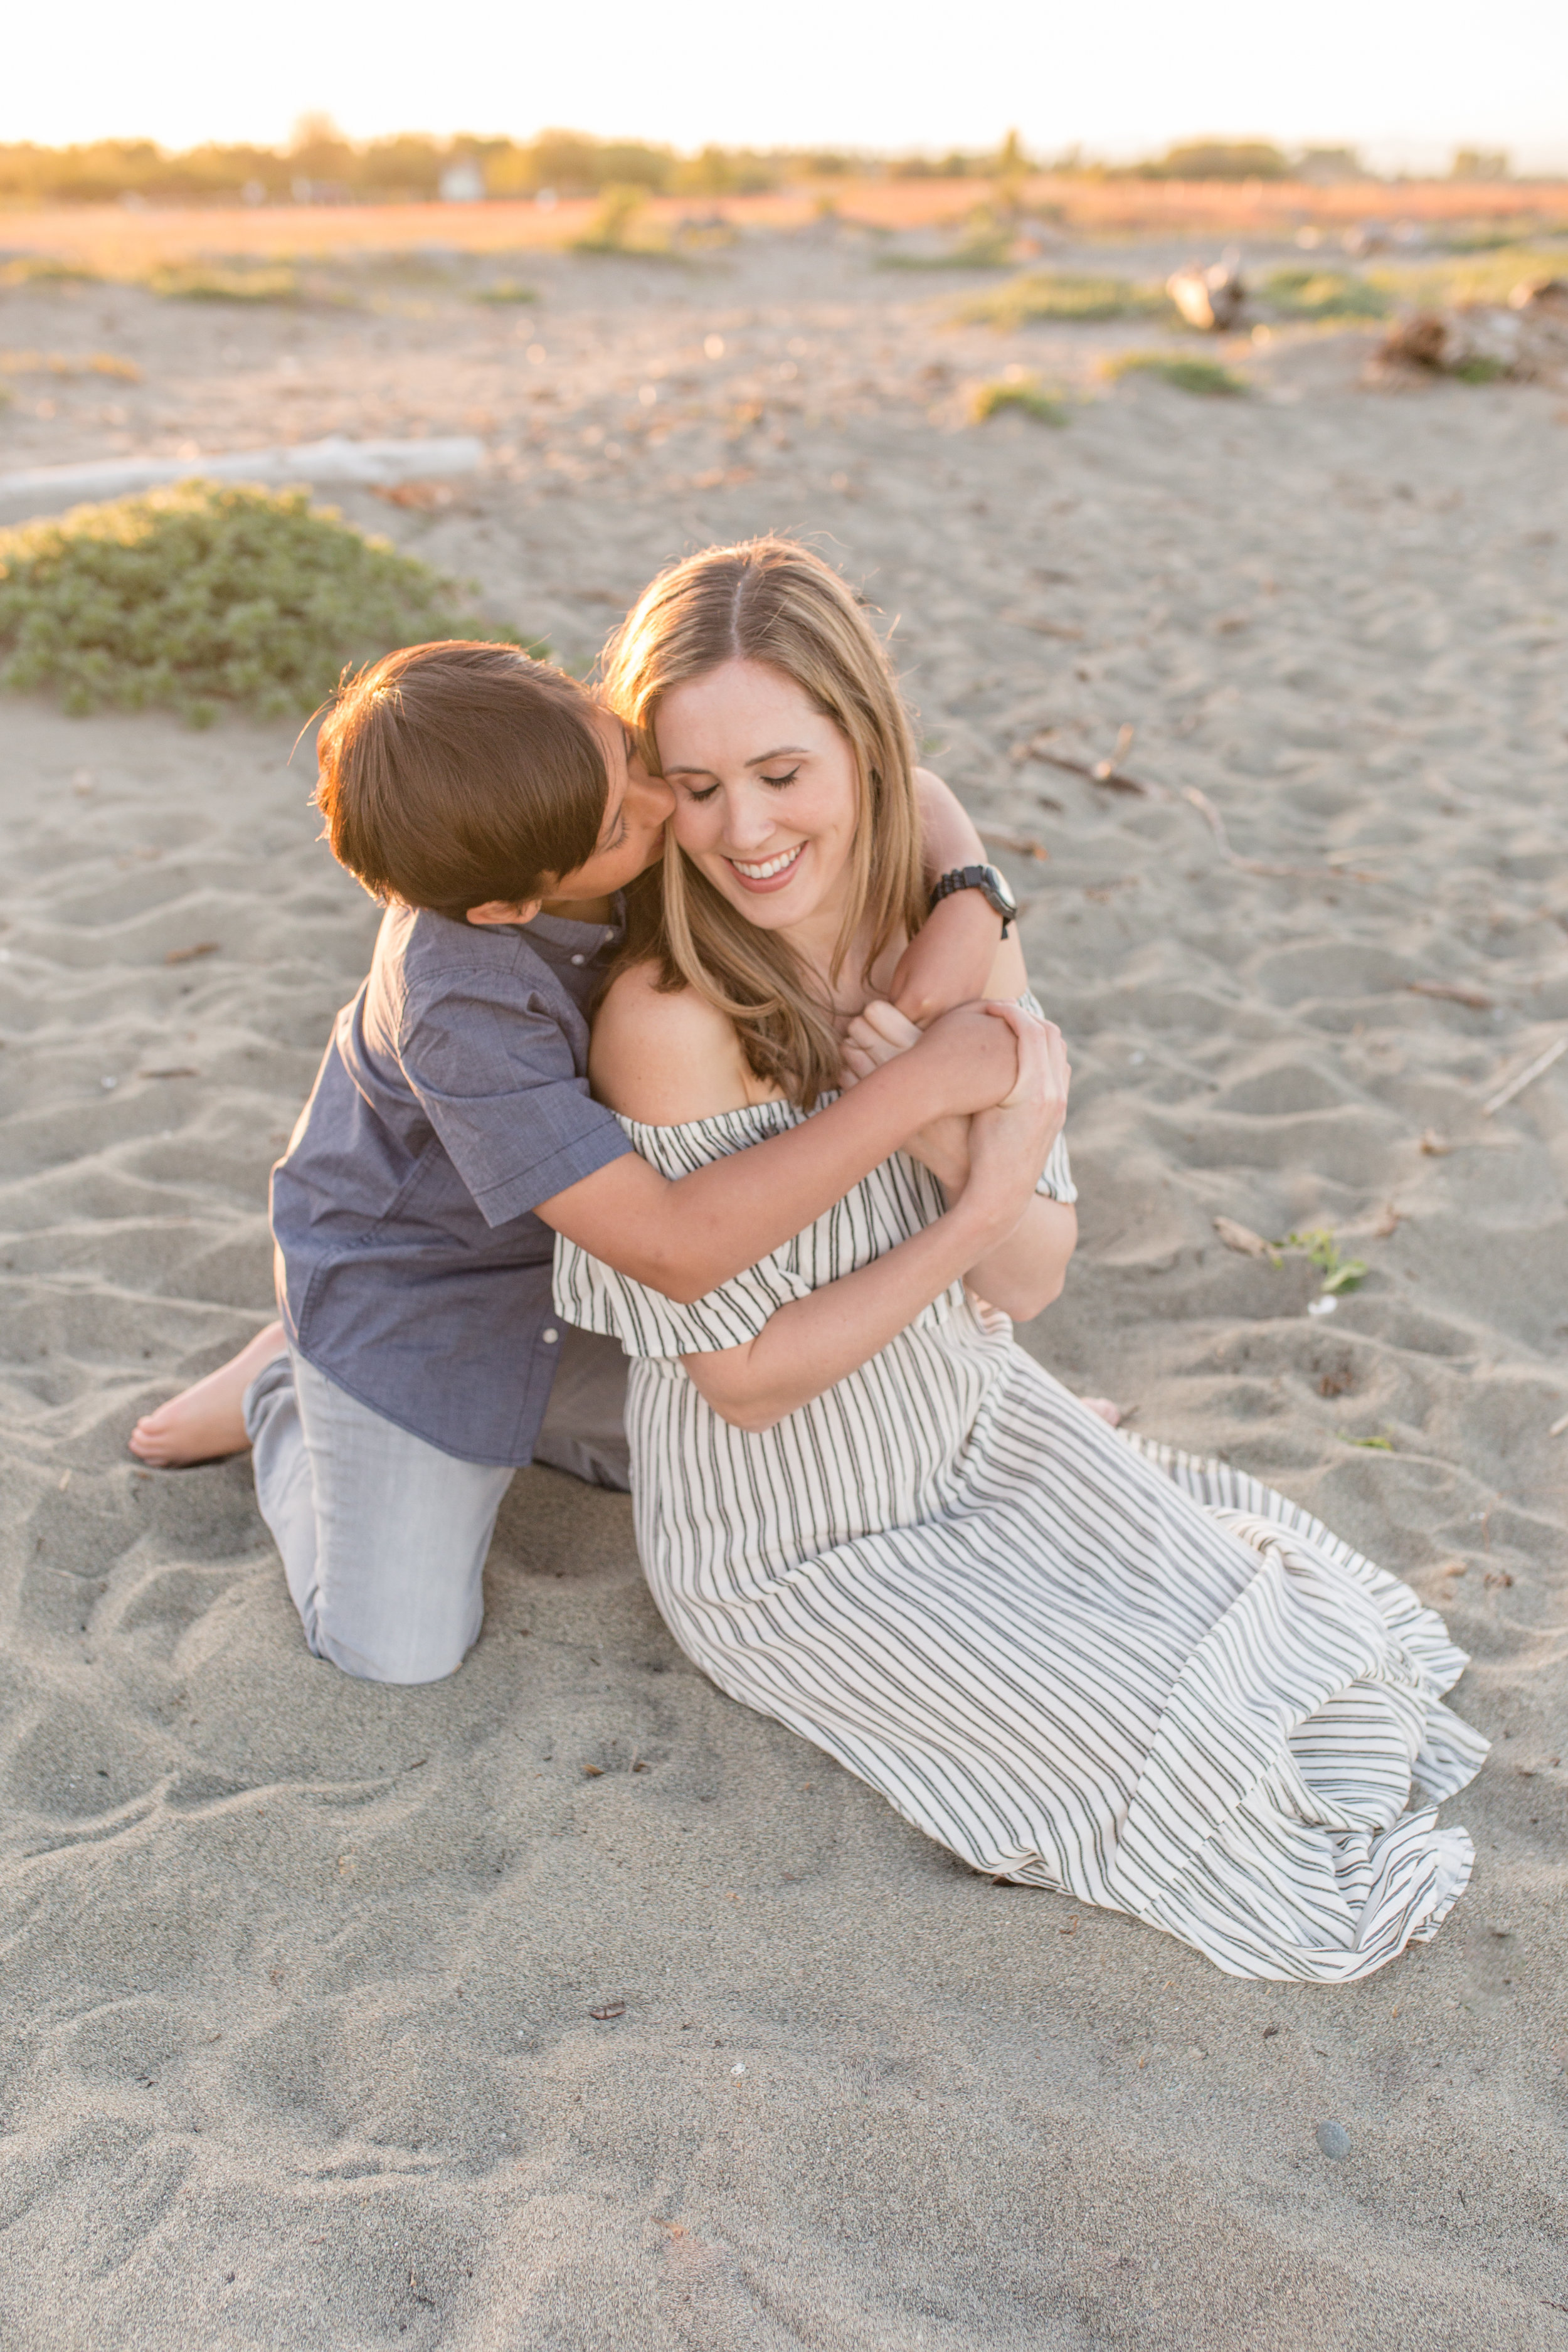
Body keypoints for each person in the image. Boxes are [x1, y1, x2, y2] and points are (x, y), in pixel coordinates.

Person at [554, 536, 1487, 1983]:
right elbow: (744, 1385)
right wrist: (969, 1200)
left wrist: (957, 1152)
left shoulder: (946, 933)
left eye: (783, 773)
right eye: (695, 786)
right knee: (1166, 1756)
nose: (744, 830)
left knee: (1291, 1648)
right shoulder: (669, 1019)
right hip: (791, 1537)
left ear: (861, 752)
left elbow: (1030, 1284)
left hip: (977, 1429)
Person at [129, 637, 1025, 1686]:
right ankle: (289, 1386)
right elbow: (675, 1251)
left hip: (585, 1274)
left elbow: (902, 789)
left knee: (815, 1456)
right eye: (621, 823)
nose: (664, 806)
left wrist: (968, 891)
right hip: (430, 1297)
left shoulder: (582, 776)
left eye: (634, 758)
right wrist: (910, 1088)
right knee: (400, 1653)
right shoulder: (462, 1003)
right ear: (511, 905)